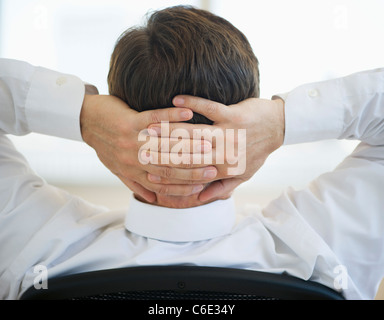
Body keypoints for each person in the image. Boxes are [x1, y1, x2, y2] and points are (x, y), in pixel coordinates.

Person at [0, 5, 383, 300]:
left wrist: (81, 114)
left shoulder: (36, 248)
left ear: (115, 125)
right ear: (248, 121)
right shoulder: (323, 251)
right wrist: (282, 122)